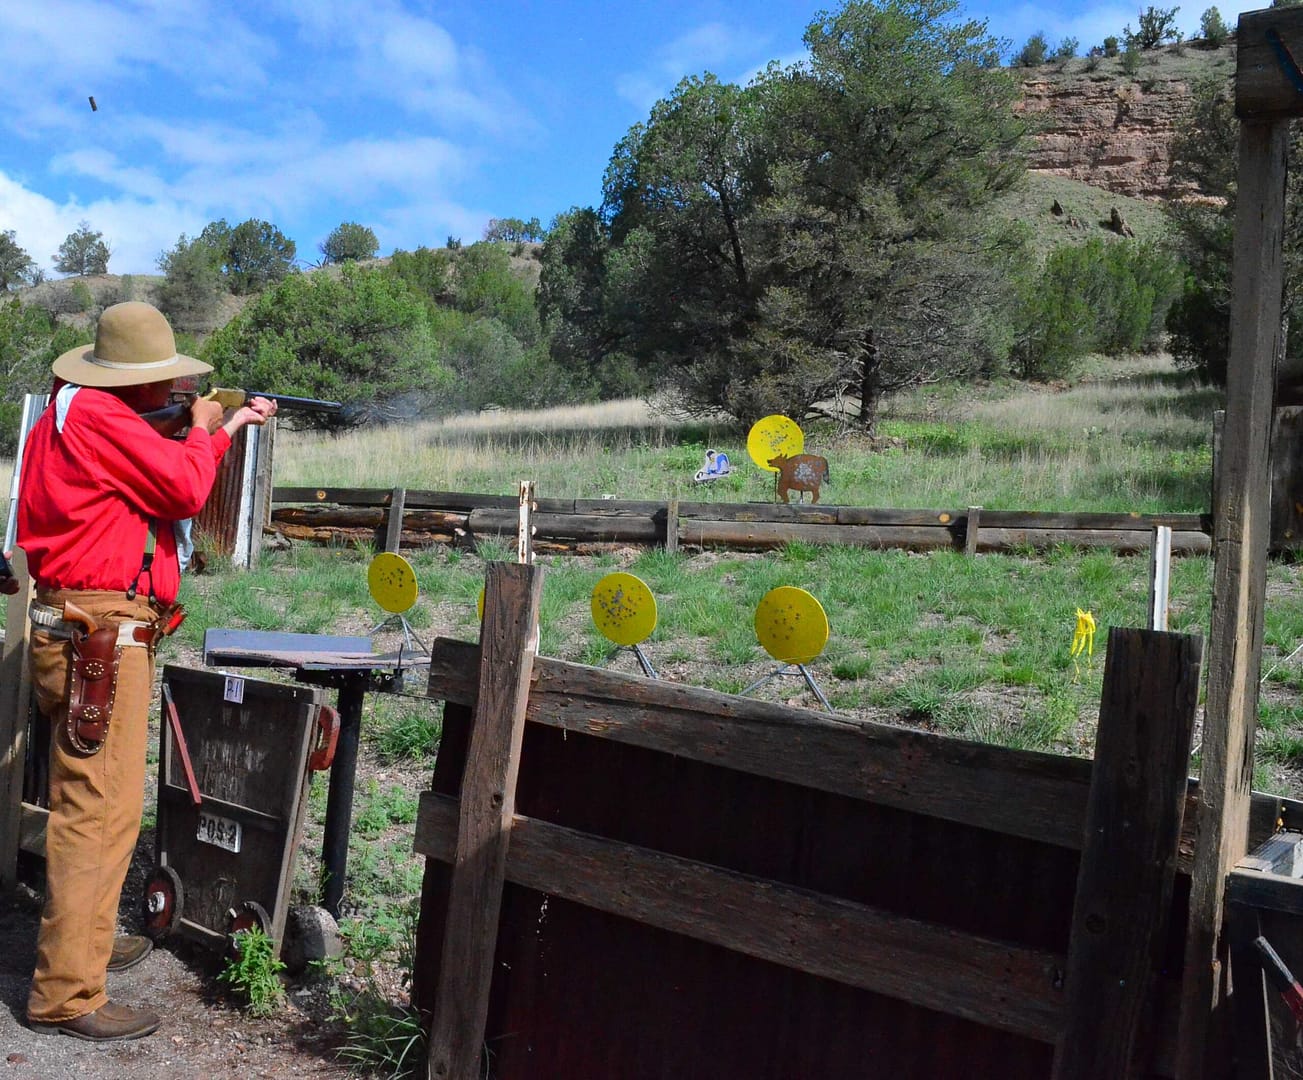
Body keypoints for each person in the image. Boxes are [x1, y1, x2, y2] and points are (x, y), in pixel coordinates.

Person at [15, 301, 276, 1041]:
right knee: (95, 817)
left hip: (87, 629)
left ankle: (86, 949)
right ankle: (66, 993)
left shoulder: (64, 419)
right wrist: (213, 429)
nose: (169, 394)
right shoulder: (103, 420)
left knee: (104, 810)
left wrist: (201, 426)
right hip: (102, 636)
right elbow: (185, 489)